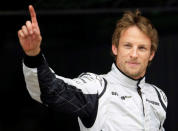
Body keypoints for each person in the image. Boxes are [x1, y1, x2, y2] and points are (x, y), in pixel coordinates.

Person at [18, 5, 168, 131]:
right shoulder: (97, 87)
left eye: (142, 48)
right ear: (115, 48)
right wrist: (33, 55)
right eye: (127, 46)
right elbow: (51, 91)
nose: (134, 54)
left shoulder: (158, 96)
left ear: (151, 54)